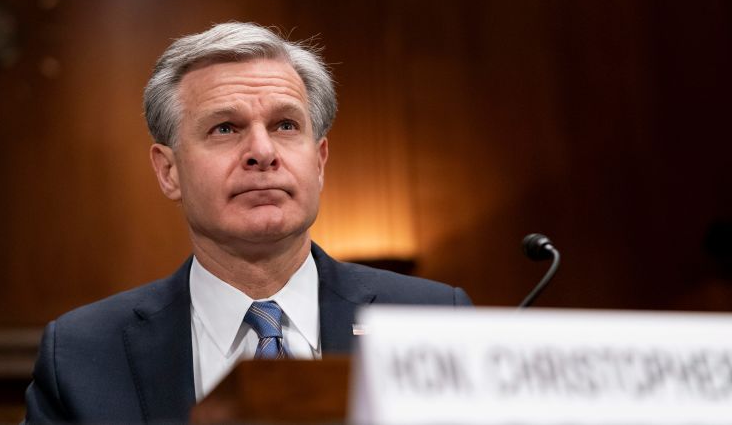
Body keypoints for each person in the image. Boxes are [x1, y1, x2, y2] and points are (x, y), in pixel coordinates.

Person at [24, 21, 471, 423]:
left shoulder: (432, 320)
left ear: (319, 162)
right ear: (169, 171)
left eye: (285, 125)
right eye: (225, 128)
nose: (262, 151)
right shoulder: (82, 355)